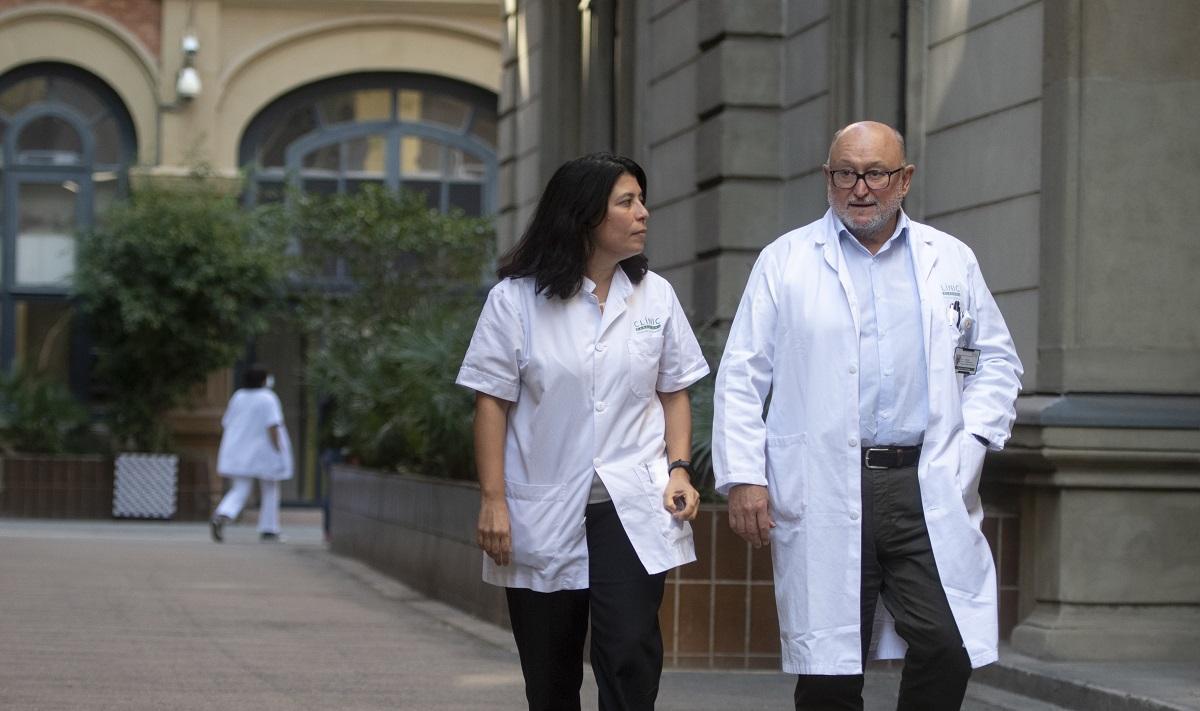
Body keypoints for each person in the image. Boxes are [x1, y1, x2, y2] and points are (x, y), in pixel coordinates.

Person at [712, 121, 1022, 711]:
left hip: (922, 481)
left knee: (947, 641)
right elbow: (742, 375)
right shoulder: (787, 261)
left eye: (876, 173)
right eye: (845, 174)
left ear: (903, 180)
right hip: (827, 481)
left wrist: (974, 437)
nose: (860, 188)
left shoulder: (950, 259)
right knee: (831, 665)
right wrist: (746, 477)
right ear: (827, 179)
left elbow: (996, 362)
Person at [456, 152, 710, 711]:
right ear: (585, 216)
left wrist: (679, 468)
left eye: (641, 199)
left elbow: (674, 391)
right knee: (550, 675)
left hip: (632, 503)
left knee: (630, 655)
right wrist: (493, 501)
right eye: (627, 202)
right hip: (542, 505)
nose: (643, 212)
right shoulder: (515, 301)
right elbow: (491, 403)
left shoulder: (655, 296)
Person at [210, 364, 294, 543]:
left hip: (239, 452)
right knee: (270, 488)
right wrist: (278, 449)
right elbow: (273, 425)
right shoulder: (268, 398)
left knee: (240, 488)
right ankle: (269, 529)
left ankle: (223, 514)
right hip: (264, 452)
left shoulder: (238, 397)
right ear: (264, 380)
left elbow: (226, 422)